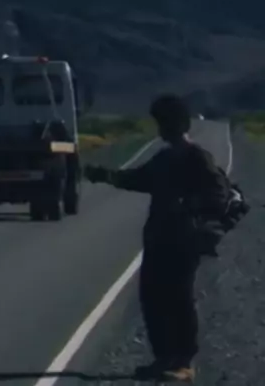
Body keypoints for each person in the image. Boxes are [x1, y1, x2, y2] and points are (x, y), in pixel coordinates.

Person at [84, 94, 230, 383]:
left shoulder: (197, 157)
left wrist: (188, 206)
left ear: (177, 124)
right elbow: (138, 179)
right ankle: (164, 358)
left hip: (183, 241)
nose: (161, 128)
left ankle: (184, 362)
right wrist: (103, 175)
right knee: (152, 299)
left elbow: (218, 194)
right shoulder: (164, 158)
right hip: (158, 240)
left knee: (179, 299)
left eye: (164, 122)